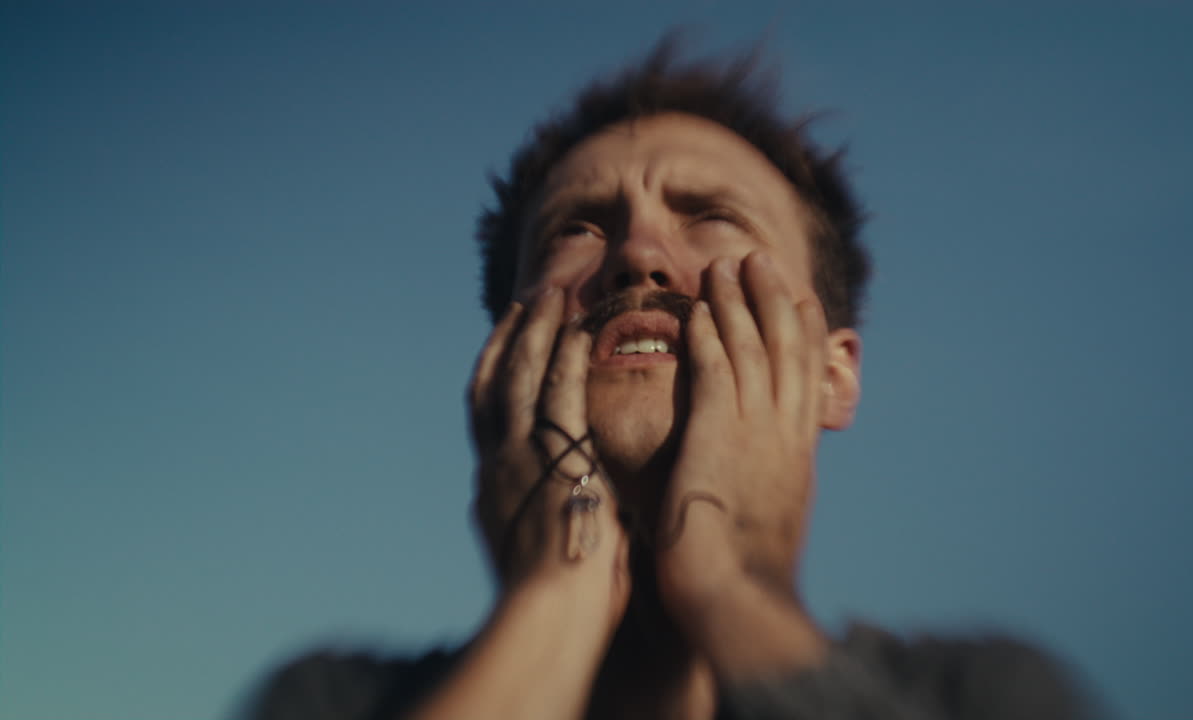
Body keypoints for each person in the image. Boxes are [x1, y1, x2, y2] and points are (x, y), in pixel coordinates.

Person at [245, 38, 1097, 720]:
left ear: (834, 375)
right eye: (577, 229)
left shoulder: (986, 695)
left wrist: (737, 590)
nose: (639, 257)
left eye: (711, 218)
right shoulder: (332, 699)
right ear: (500, 355)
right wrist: (555, 598)